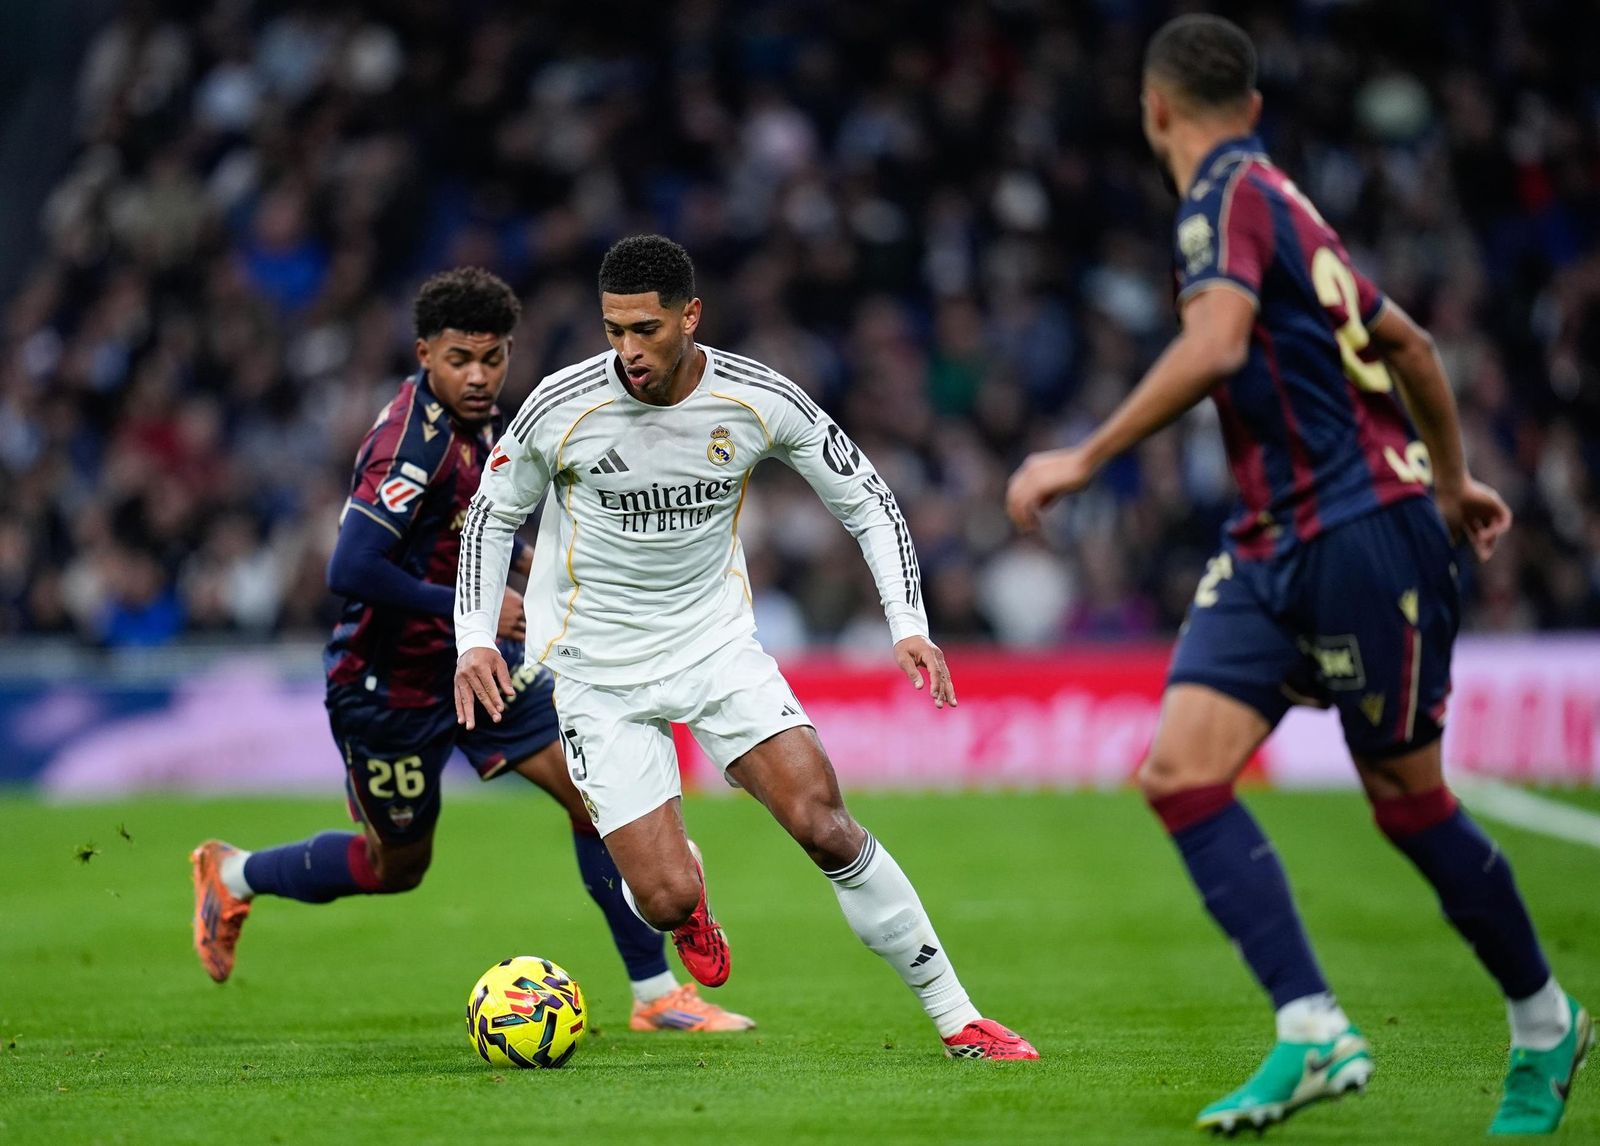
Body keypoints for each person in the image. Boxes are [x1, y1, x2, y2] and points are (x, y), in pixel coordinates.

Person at [1007, 14, 1591, 1135]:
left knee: (1408, 805)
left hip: (1360, 527)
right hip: (1277, 536)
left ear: (1155, 108)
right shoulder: (1284, 200)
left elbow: (1218, 344)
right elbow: (1410, 344)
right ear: (1254, 106)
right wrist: (1455, 479)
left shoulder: (1221, 198)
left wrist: (1084, 455)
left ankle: (1543, 1020)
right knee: (1180, 772)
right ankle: (1312, 1026)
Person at [454, 235, 1036, 1060]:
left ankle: (959, 1018)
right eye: (614, 330)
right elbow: (490, 515)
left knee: (823, 822)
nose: (628, 351)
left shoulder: (756, 396)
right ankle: (687, 900)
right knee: (661, 898)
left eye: (646, 330)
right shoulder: (562, 403)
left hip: (716, 649)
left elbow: (867, 498)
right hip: (596, 671)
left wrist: (907, 621)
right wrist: (474, 638)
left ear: (690, 316)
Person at [190, 267, 754, 1034]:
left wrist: (521, 567)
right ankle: (233, 874)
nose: (480, 376)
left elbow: (459, 526)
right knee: (396, 868)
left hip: (480, 669)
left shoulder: (483, 422)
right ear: (425, 354)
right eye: (461, 360)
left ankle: (656, 995)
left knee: (595, 798)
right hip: (388, 687)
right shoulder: (409, 447)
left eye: (493, 358)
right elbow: (350, 568)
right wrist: (474, 608)